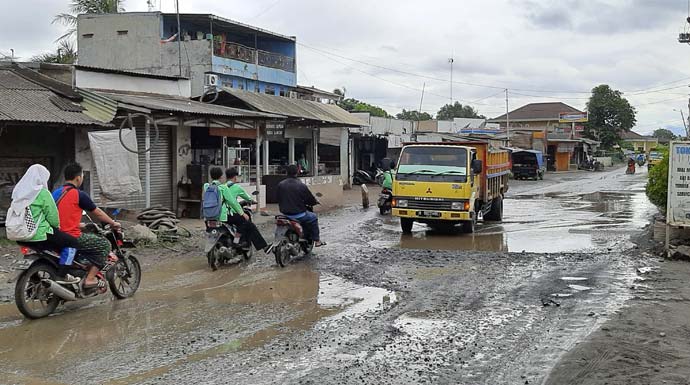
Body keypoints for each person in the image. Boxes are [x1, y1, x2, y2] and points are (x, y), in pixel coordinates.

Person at [53, 163, 120, 289]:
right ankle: (90, 279)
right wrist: (113, 223)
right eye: (82, 175)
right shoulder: (79, 194)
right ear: (78, 178)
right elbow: (98, 213)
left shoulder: (55, 193)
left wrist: (78, 224)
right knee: (104, 244)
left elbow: (59, 215)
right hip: (71, 236)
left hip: (55, 235)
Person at [10, 164, 79, 251]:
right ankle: (65, 264)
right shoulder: (43, 193)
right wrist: (57, 227)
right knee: (73, 242)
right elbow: (52, 216)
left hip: (21, 235)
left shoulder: (18, 193)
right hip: (40, 235)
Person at [276, 164, 325, 247]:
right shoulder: (301, 185)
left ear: (286, 172)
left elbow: (277, 197)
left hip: (284, 214)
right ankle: (317, 240)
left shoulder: (280, 184)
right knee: (313, 217)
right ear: (297, 172)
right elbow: (309, 199)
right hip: (298, 214)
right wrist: (315, 202)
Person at [225, 168, 268, 251]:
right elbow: (248, 199)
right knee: (248, 223)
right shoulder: (236, 187)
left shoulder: (221, 187)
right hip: (230, 214)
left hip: (220, 215)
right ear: (235, 177)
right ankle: (263, 247)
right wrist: (252, 201)